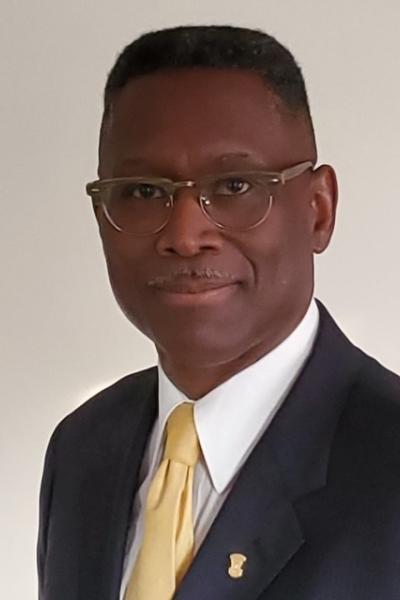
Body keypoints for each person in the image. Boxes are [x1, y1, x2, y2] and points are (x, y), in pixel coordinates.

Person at [37, 25, 400, 600]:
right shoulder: (82, 450)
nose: (184, 234)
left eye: (235, 184)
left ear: (319, 210)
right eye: (142, 191)